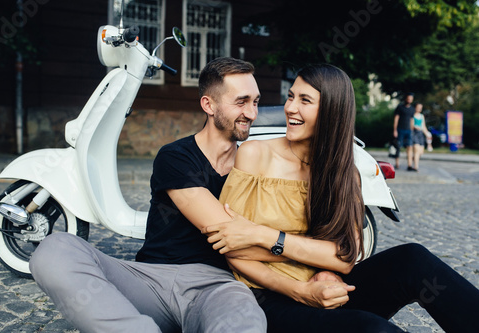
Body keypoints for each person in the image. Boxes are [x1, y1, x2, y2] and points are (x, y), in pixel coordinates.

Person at [202, 64, 479, 333]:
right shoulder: (255, 154)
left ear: (331, 112)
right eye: (290, 97)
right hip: (267, 298)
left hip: (328, 289)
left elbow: (345, 256)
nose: (290, 108)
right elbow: (231, 249)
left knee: (413, 259)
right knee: (374, 328)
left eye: (305, 100)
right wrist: (303, 286)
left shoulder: (345, 173)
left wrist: (263, 235)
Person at [29, 57, 267, 333]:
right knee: (55, 248)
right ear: (208, 105)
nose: (251, 113)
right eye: (241, 101)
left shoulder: (255, 167)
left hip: (217, 288)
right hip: (149, 282)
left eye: (256, 102)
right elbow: (222, 230)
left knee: (245, 317)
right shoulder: (176, 156)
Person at [393, 92, 416, 171]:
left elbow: (412, 119)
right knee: (398, 147)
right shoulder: (400, 107)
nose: (409, 100)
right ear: (406, 98)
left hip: (408, 130)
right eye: (408, 98)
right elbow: (396, 118)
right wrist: (395, 130)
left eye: (411, 99)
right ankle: (397, 164)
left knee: (410, 147)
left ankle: (409, 165)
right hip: (400, 129)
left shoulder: (412, 109)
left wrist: (412, 129)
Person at [412, 103, 432, 171]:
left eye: (421, 107)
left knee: (420, 152)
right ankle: (416, 167)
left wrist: (427, 134)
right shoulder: (412, 115)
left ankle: (413, 158)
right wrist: (415, 127)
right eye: (418, 107)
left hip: (421, 134)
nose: (420, 108)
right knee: (417, 150)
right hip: (414, 133)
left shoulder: (421, 116)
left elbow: (423, 126)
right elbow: (410, 125)